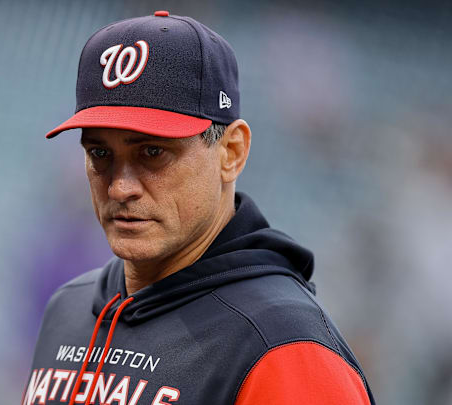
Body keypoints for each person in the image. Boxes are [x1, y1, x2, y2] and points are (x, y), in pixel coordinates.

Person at [22, 10, 375, 405]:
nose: (120, 187)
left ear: (232, 152)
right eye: (100, 153)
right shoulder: (68, 309)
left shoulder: (283, 348)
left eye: (153, 152)